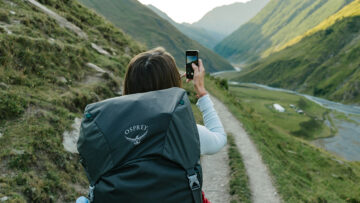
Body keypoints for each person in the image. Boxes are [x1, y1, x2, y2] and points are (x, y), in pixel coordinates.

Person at [76, 47, 226, 203]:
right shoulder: (187, 133)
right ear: (174, 85)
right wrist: (201, 92)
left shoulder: (104, 133)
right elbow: (219, 138)